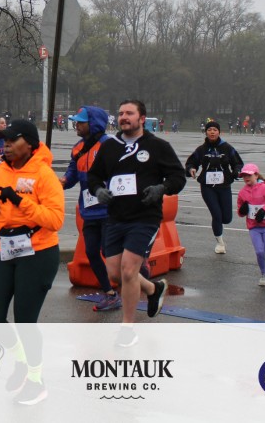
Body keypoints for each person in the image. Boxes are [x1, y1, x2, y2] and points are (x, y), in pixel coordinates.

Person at [86, 99, 186, 347]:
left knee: (129, 271)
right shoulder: (110, 147)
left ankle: (127, 328)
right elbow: (94, 176)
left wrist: (162, 188)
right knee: (115, 274)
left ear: (142, 119)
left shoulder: (157, 146)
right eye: (121, 113)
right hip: (115, 217)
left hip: (145, 218)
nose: (124, 117)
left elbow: (178, 176)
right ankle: (153, 289)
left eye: (129, 113)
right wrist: (98, 190)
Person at [0, 119, 64, 405]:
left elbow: (55, 220)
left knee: (26, 321)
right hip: (3, 248)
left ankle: (36, 380)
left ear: (29, 143)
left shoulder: (44, 174)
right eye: (4, 140)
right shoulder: (1, 170)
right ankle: (21, 360)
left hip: (38, 253)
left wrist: (20, 201)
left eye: (12, 140)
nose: (6, 145)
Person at [61, 106, 118, 310]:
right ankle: (110, 294)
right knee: (92, 252)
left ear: (93, 124)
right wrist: (59, 182)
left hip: (110, 211)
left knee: (109, 253)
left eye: (81, 122)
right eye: (76, 121)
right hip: (89, 211)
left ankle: (142, 278)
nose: (76, 125)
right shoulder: (77, 148)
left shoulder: (109, 145)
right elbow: (71, 176)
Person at [184, 120, 244, 255]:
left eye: (215, 130)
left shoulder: (227, 148)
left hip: (224, 185)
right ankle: (220, 242)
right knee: (216, 214)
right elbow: (191, 162)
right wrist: (191, 169)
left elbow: (238, 163)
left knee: (226, 218)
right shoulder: (201, 149)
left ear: (219, 132)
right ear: (206, 132)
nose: (212, 132)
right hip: (207, 186)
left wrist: (237, 171)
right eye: (209, 130)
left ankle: (221, 232)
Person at [236, 163, 265, 287]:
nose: (246, 178)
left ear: (256, 175)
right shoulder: (242, 192)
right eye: (244, 176)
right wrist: (242, 210)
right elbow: (240, 211)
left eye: (249, 175)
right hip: (253, 227)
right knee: (259, 252)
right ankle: (264, 274)